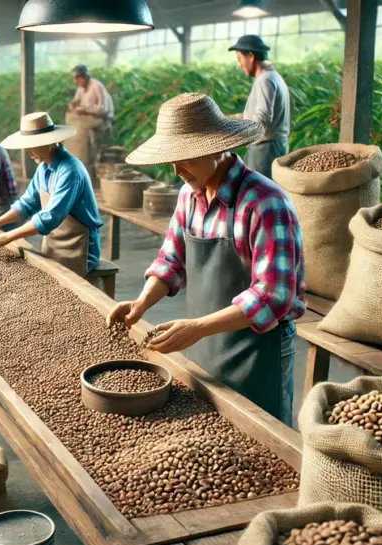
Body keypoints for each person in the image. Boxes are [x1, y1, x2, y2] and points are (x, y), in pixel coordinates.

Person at [107, 93, 305, 426]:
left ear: (216, 147)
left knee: (264, 444)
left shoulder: (266, 204)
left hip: (258, 353)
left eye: (184, 157)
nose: (175, 169)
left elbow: (273, 297)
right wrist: (141, 303)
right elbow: (172, 259)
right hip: (205, 346)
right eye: (172, 159)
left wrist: (197, 328)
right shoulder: (189, 196)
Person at [0, 112, 104, 277]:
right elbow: (26, 205)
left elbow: (50, 217)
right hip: (54, 244)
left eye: (33, 145)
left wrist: (9, 236)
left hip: (79, 249)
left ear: (51, 142)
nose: (29, 152)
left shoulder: (70, 170)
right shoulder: (43, 168)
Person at [229, 35, 290, 178]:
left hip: (265, 149)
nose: (240, 64)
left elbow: (262, 118)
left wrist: (239, 136)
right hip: (270, 147)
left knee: (260, 195)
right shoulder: (272, 77)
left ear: (250, 56)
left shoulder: (265, 80)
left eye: (239, 59)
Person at [68, 64, 115, 148]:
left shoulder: (96, 86)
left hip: (103, 118)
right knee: (71, 121)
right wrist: (73, 104)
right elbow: (76, 100)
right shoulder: (81, 87)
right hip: (89, 116)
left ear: (84, 77)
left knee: (81, 127)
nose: (75, 82)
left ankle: (89, 154)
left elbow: (103, 110)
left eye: (77, 79)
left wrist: (85, 111)